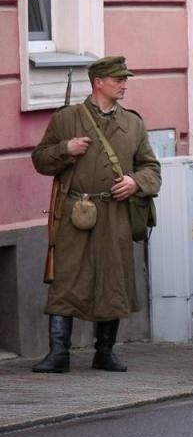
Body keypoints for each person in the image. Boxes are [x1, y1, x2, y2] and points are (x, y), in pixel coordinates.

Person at [30, 55, 162, 374]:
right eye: (118, 80)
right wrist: (66, 149)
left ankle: (105, 352)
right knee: (66, 278)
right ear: (98, 82)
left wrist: (135, 182)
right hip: (75, 211)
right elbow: (40, 160)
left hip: (115, 212)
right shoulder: (67, 119)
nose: (124, 85)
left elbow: (152, 169)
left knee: (112, 280)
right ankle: (58, 353)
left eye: (124, 79)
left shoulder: (133, 123)